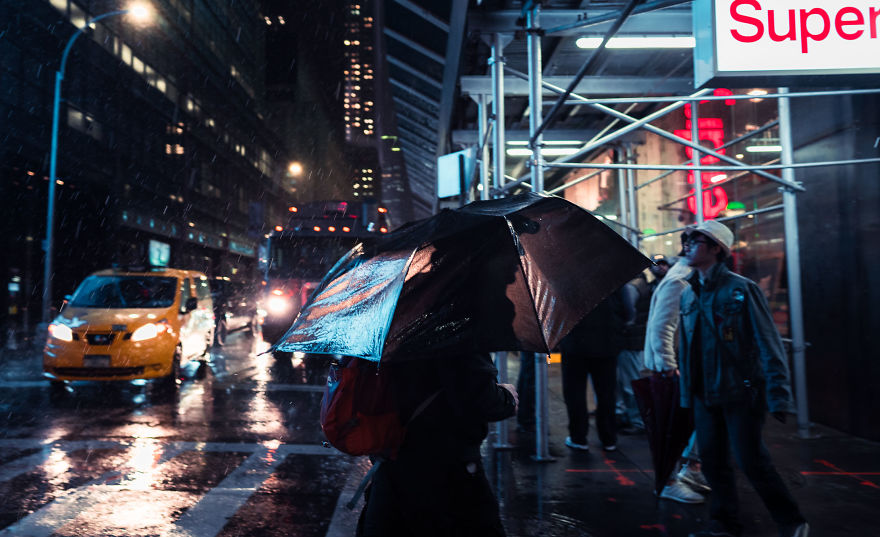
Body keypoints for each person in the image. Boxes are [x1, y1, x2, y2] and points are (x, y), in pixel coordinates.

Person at [678, 220, 808, 537]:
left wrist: (779, 395)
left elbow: (768, 342)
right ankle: (723, 524)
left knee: (752, 462)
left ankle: (791, 521)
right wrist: (686, 395)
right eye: (687, 241)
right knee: (712, 462)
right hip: (704, 394)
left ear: (716, 248)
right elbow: (685, 350)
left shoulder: (741, 289)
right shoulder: (688, 295)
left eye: (695, 242)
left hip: (740, 392)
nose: (687, 247)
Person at [643, 254, 710, 504]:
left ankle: (691, 468)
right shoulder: (679, 281)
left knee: (691, 421)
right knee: (670, 427)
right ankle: (668, 482)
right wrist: (668, 366)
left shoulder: (691, 277)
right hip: (672, 368)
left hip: (685, 365)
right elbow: (662, 326)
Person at [558, 292, 624, 452]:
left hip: (575, 344)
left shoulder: (569, 283)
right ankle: (609, 438)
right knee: (606, 393)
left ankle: (578, 437)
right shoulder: (612, 282)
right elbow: (626, 309)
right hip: (607, 343)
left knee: (575, 393)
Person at [615, 272, 650, 433]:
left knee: (630, 385)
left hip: (630, 341)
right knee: (632, 381)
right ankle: (636, 419)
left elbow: (629, 316)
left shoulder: (630, 286)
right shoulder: (641, 282)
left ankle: (638, 422)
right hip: (635, 340)